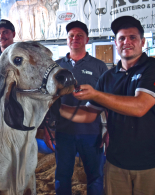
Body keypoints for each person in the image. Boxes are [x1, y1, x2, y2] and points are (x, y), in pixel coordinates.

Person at [60, 16, 155, 195]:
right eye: (121, 38)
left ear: (143, 42)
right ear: (116, 44)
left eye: (132, 37)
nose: (127, 42)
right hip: (116, 162)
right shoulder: (108, 77)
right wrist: (55, 109)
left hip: (151, 162)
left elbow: (140, 106)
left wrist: (96, 94)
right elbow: (89, 114)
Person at [53, 21, 108, 195]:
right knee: (62, 175)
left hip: (91, 132)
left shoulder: (99, 66)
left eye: (79, 36)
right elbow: (48, 100)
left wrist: (108, 129)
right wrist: (48, 129)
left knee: (95, 176)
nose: (75, 39)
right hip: (63, 131)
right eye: (71, 36)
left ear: (87, 40)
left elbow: (107, 100)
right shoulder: (56, 67)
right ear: (67, 40)